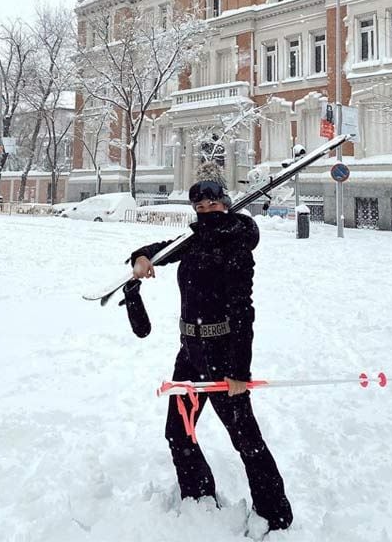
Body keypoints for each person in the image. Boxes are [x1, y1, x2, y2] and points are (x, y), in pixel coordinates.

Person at [129, 178, 293, 533]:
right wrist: (141, 257)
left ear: (225, 204)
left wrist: (239, 371)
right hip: (189, 353)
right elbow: (159, 249)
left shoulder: (234, 245)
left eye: (212, 206)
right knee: (178, 430)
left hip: (222, 356)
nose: (205, 213)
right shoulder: (193, 240)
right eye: (199, 209)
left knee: (245, 439)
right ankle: (198, 495)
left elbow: (242, 310)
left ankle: (274, 515)